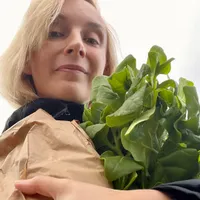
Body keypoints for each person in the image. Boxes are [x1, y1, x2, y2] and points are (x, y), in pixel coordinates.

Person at [0, 0, 200, 199]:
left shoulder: (134, 149)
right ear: (26, 58)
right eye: (55, 33)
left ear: (105, 67)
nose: (77, 44)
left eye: (92, 39)